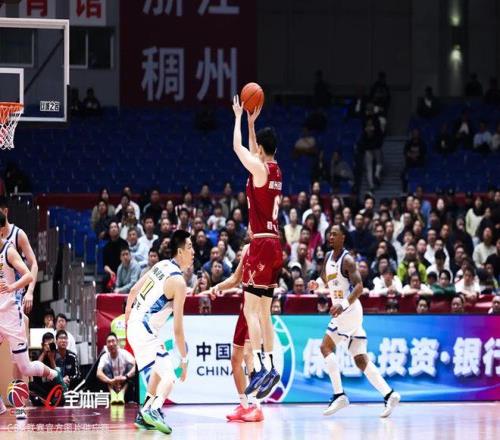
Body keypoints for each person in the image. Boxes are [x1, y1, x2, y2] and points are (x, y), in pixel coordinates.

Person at [308, 225, 400, 417]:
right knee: (360, 359)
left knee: (325, 347)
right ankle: (389, 394)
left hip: (348, 311)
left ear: (343, 237)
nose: (331, 237)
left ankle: (339, 395)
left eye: (335, 234)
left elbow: (359, 287)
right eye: (329, 234)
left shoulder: (348, 260)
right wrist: (317, 283)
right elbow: (325, 278)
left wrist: (342, 305)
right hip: (347, 313)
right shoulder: (328, 257)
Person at [232, 95, 283, 400]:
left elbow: (238, 149)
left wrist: (239, 117)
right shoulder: (275, 169)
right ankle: (272, 366)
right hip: (276, 244)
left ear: (261, 151)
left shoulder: (260, 170)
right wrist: (253, 125)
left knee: (251, 309)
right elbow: (254, 152)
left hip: (261, 244)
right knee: (265, 312)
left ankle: (262, 367)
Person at [125, 230, 192, 434]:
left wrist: (128, 320)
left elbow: (133, 291)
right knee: (169, 377)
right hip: (144, 330)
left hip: (136, 326)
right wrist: (184, 360)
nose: (193, 252)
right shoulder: (179, 282)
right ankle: (153, 410)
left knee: (158, 368)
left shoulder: (161, 265)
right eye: (190, 247)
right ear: (180, 252)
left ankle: (144, 411)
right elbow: (178, 329)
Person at [0, 214, 66, 419]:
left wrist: (13, 287)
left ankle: (53, 373)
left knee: (24, 367)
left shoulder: (9, 249)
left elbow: (29, 274)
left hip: (12, 315)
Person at [96, 333, 136, 404]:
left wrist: (125, 377)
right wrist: (110, 381)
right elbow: (98, 373)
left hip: (124, 383)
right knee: (105, 368)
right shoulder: (104, 357)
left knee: (130, 366)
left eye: (113, 341)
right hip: (111, 384)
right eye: (109, 342)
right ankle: (113, 394)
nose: (111, 344)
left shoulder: (124, 353)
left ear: (117, 342)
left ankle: (122, 394)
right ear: (106, 345)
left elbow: (136, 366)